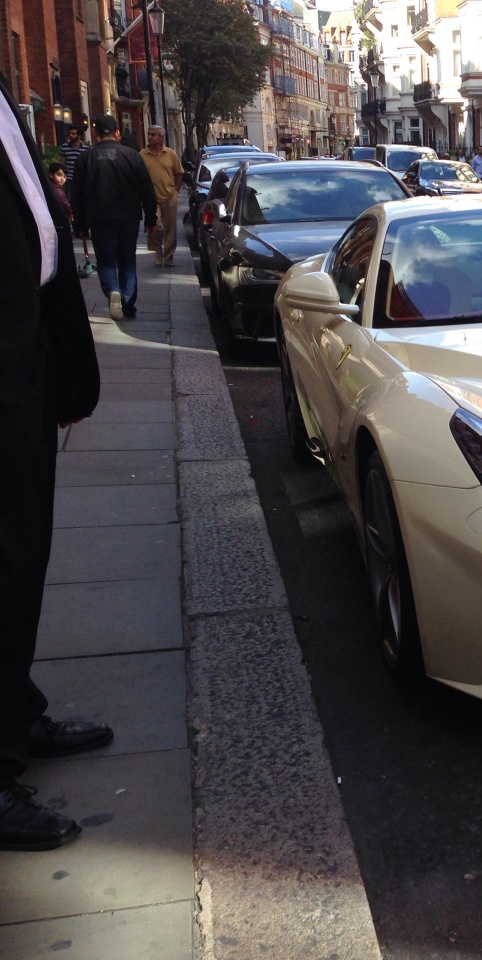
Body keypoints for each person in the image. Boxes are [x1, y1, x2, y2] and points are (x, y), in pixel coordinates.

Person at [0, 78, 111, 853]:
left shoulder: (6, 96)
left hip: (25, 367)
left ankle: (14, 710)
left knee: (21, 555)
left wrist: (61, 371)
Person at [69, 114, 157, 322]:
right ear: (117, 133)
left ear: (96, 133)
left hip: (99, 218)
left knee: (106, 261)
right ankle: (127, 303)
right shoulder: (132, 156)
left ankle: (112, 291)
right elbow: (146, 188)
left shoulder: (85, 158)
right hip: (129, 217)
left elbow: (77, 195)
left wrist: (79, 225)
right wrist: (151, 218)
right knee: (127, 260)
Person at [140, 125, 183, 267]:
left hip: (169, 196)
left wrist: (176, 190)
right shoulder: (142, 155)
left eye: (153, 134)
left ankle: (169, 256)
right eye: (149, 134)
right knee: (156, 226)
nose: (150, 137)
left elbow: (179, 173)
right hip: (151, 198)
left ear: (161, 137)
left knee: (170, 229)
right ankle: (157, 251)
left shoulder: (170, 154)